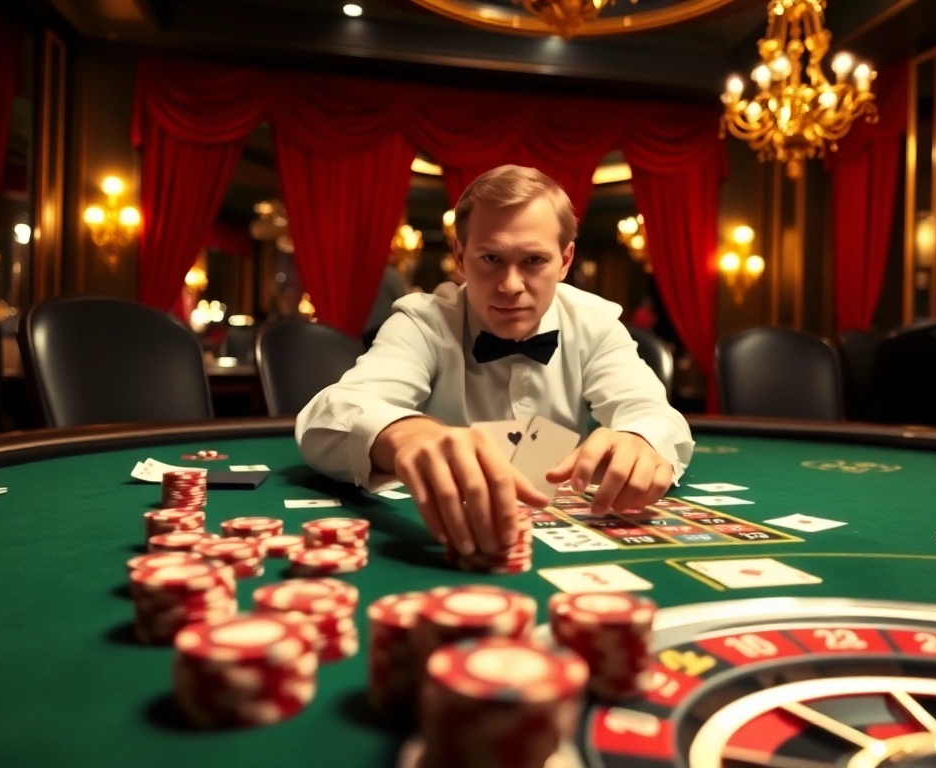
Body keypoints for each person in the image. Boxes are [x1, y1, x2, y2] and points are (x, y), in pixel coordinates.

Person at [295, 165, 694, 556]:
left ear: (565, 260)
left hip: (559, 526)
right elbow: (328, 417)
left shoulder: (595, 323)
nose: (510, 285)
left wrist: (640, 439)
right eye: (490, 259)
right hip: (448, 533)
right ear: (460, 255)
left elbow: (652, 413)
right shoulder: (423, 321)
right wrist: (409, 439)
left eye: (534, 261)